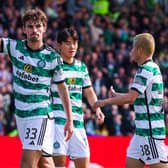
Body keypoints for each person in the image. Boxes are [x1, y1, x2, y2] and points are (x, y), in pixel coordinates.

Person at [0, 8, 73, 168]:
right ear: (24, 29)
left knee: (27, 163)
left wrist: (69, 119)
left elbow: (62, 89)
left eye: (38, 26)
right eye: (31, 26)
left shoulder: (53, 57)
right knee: (44, 162)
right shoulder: (14, 48)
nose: (35, 30)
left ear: (44, 28)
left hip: (40, 115)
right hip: (21, 115)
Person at [93, 33, 168, 168]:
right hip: (141, 133)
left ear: (140, 50)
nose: (131, 51)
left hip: (150, 133)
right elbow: (139, 98)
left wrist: (104, 102)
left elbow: (131, 97)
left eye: (133, 48)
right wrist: (117, 96)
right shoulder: (152, 67)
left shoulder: (145, 70)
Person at [39, 27, 105, 168]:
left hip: (78, 124)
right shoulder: (53, 65)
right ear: (59, 45)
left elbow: (89, 91)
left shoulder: (81, 67)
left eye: (75, 43)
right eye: (68, 43)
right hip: (58, 123)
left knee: (84, 163)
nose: (72, 47)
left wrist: (97, 108)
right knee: (59, 165)